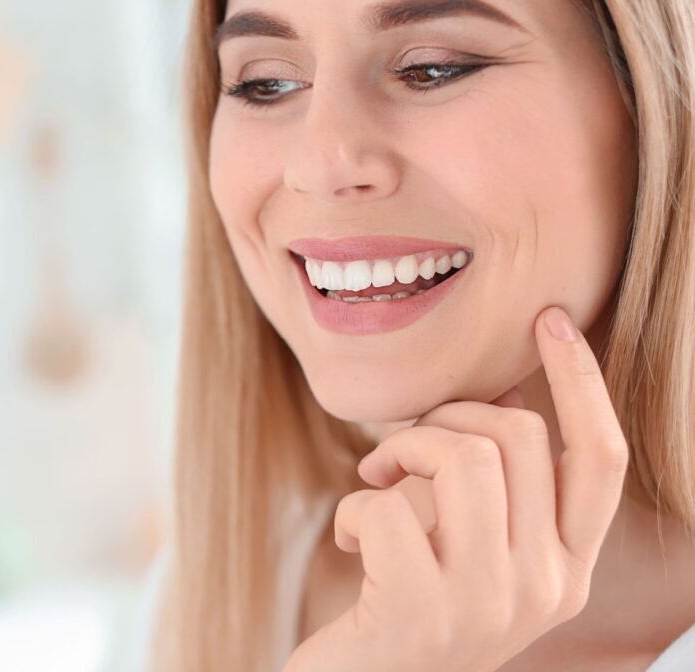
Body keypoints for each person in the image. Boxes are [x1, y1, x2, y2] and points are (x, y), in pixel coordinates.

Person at [135, 0, 695, 669]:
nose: (321, 163)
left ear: (652, 110)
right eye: (267, 83)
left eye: (432, 69)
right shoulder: (182, 611)